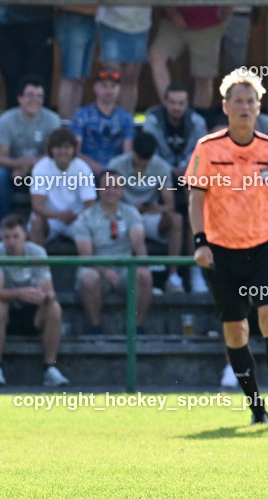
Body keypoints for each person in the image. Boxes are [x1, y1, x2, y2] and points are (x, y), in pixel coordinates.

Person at [185, 69, 268, 425]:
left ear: (259, 107)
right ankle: (256, 405)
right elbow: (195, 198)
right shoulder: (208, 148)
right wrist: (200, 243)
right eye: (237, 101)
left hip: (261, 249)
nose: (244, 107)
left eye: (250, 100)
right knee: (236, 329)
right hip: (221, 252)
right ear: (225, 107)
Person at [0, 214, 69, 388]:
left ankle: (50, 368)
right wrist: (20, 293)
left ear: (25, 235)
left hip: (33, 313)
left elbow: (50, 292)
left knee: (54, 307)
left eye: (15, 236)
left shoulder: (38, 253)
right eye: (7, 237)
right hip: (7, 314)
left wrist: (43, 297)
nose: (11, 241)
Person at [72, 170, 153, 335]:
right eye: (107, 187)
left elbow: (139, 246)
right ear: (99, 190)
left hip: (125, 270)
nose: (111, 191)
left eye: (116, 187)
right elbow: (85, 257)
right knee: (88, 278)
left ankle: (136, 328)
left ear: (122, 191)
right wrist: (105, 270)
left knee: (145, 275)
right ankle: (96, 327)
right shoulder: (85, 218)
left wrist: (140, 253)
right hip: (97, 270)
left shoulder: (131, 213)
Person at [108, 133, 186, 293]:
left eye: (147, 158)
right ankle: (135, 278)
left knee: (176, 220)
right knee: (130, 226)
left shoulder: (162, 167)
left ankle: (173, 276)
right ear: (132, 151)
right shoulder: (116, 165)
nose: (143, 162)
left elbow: (170, 204)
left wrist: (155, 209)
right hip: (123, 215)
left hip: (149, 216)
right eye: (140, 157)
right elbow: (109, 199)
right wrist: (131, 209)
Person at [0, 75, 61, 225]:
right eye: (30, 95)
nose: (35, 100)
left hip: (41, 167)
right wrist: (19, 165)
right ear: (20, 98)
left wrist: (31, 166)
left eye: (39, 96)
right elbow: (1, 158)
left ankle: (46, 222)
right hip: (13, 167)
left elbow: (53, 154)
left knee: (54, 174)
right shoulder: (6, 120)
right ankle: (2, 225)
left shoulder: (52, 120)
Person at [28, 128, 97, 246]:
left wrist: (76, 216)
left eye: (67, 147)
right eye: (58, 147)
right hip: (50, 219)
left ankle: (88, 264)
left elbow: (90, 205)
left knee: (94, 224)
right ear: (51, 149)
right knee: (36, 222)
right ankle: (37, 264)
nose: (63, 151)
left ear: (74, 150)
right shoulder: (41, 167)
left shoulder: (83, 168)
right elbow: (37, 205)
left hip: (77, 219)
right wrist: (58, 216)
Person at [70, 68, 135, 172]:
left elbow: (127, 153)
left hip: (117, 175)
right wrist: (98, 169)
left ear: (119, 89)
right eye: (104, 86)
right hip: (86, 172)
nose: (108, 90)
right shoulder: (82, 115)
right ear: (95, 87)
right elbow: (75, 151)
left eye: (113, 86)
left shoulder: (126, 118)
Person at [144, 83, 209, 183]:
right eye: (172, 103)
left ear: (187, 103)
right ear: (165, 102)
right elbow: (150, 152)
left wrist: (185, 167)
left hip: (190, 169)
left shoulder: (197, 122)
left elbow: (202, 150)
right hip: (159, 171)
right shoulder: (152, 121)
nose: (176, 107)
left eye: (181, 103)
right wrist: (170, 169)